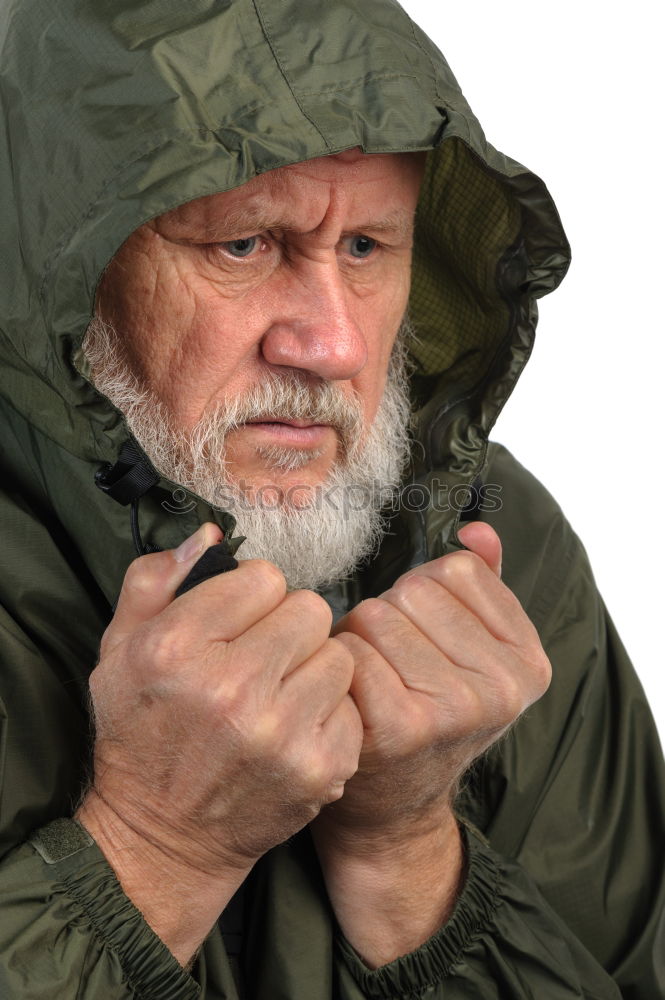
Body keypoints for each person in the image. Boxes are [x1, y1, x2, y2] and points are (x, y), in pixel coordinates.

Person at [0, 0, 662, 997]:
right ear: (70, 269)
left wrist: (407, 859)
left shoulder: (492, 546)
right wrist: (153, 849)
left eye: (365, 249)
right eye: (243, 247)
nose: (333, 346)